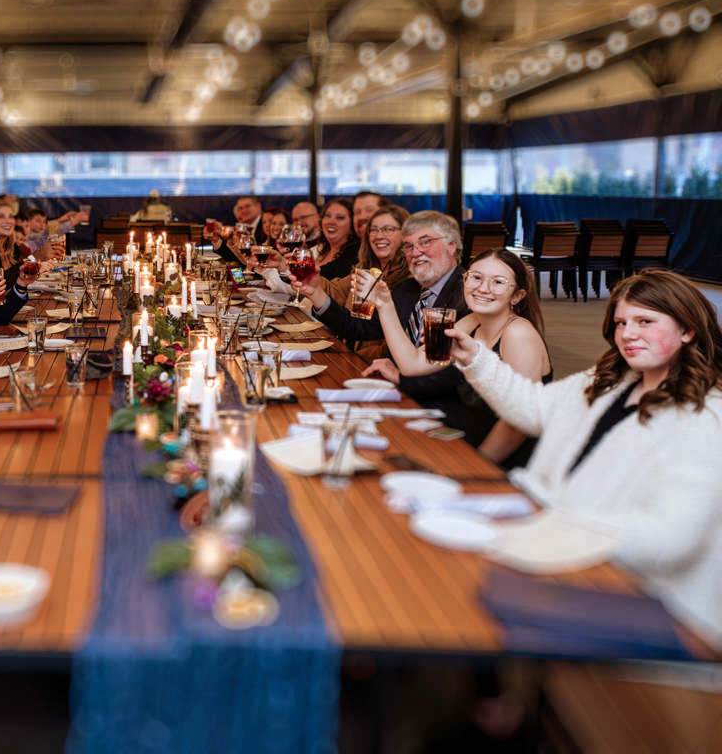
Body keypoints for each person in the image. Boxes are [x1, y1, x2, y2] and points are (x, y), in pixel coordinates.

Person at [448, 270, 722, 646]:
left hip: (654, 602)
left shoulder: (705, 417)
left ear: (688, 331)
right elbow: (533, 408)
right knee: (458, 581)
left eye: (645, 321)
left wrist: (554, 523)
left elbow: (671, 537)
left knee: (469, 605)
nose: (628, 333)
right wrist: (477, 359)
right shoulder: (609, 382)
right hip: (577, 564)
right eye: (622, 322)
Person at [358, 248, 552, 464]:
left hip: (507, 461)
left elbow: (518, 422)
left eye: (498, 282)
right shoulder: (470, 322)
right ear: (464, 280)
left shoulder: (518, 334)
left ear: (517, 296)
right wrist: (385, 305)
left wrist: (476, 464)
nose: (482, 288)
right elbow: (412, 365)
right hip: (469, 440)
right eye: (476, 277)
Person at [291, 209, 471, 430]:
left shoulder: (469, 293)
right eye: (409, 246)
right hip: (394, 398)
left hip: (439, 412)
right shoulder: (408, 290)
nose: (415, 252)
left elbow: (460, 373)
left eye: (425, 243)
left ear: (452, 245)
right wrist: (315, 292)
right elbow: (359, 328)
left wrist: (401, 377)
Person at [315, 204, 412, 362]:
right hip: (349, 355)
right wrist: (301, 273)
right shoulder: (366, 269)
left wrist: (352, 359)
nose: (378, 236)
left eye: (388, 229)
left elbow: (396, 344)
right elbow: (334, 291)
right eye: (374, 230)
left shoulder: (409, 281)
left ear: (406, 235)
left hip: (372, 365)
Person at [314, 197, 360, 281]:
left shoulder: (355, 254)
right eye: (327, 216)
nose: (331, 222)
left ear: (352, 224)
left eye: (340, 217)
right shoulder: (316, 249)